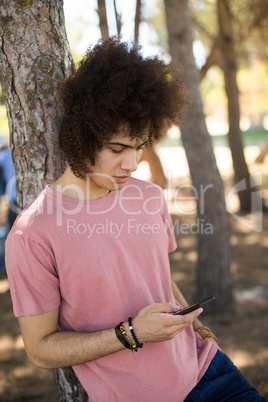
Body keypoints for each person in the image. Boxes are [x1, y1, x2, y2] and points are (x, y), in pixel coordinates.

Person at [5, 38, 266, 402]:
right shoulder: (34, 233)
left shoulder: (149, 196)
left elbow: (157, 275)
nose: (133, 163)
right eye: (118, 149)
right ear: (82, 137)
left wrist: (199, 325)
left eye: (141, 145)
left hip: (209, 369)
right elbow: (40, 349)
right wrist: (131, 333)